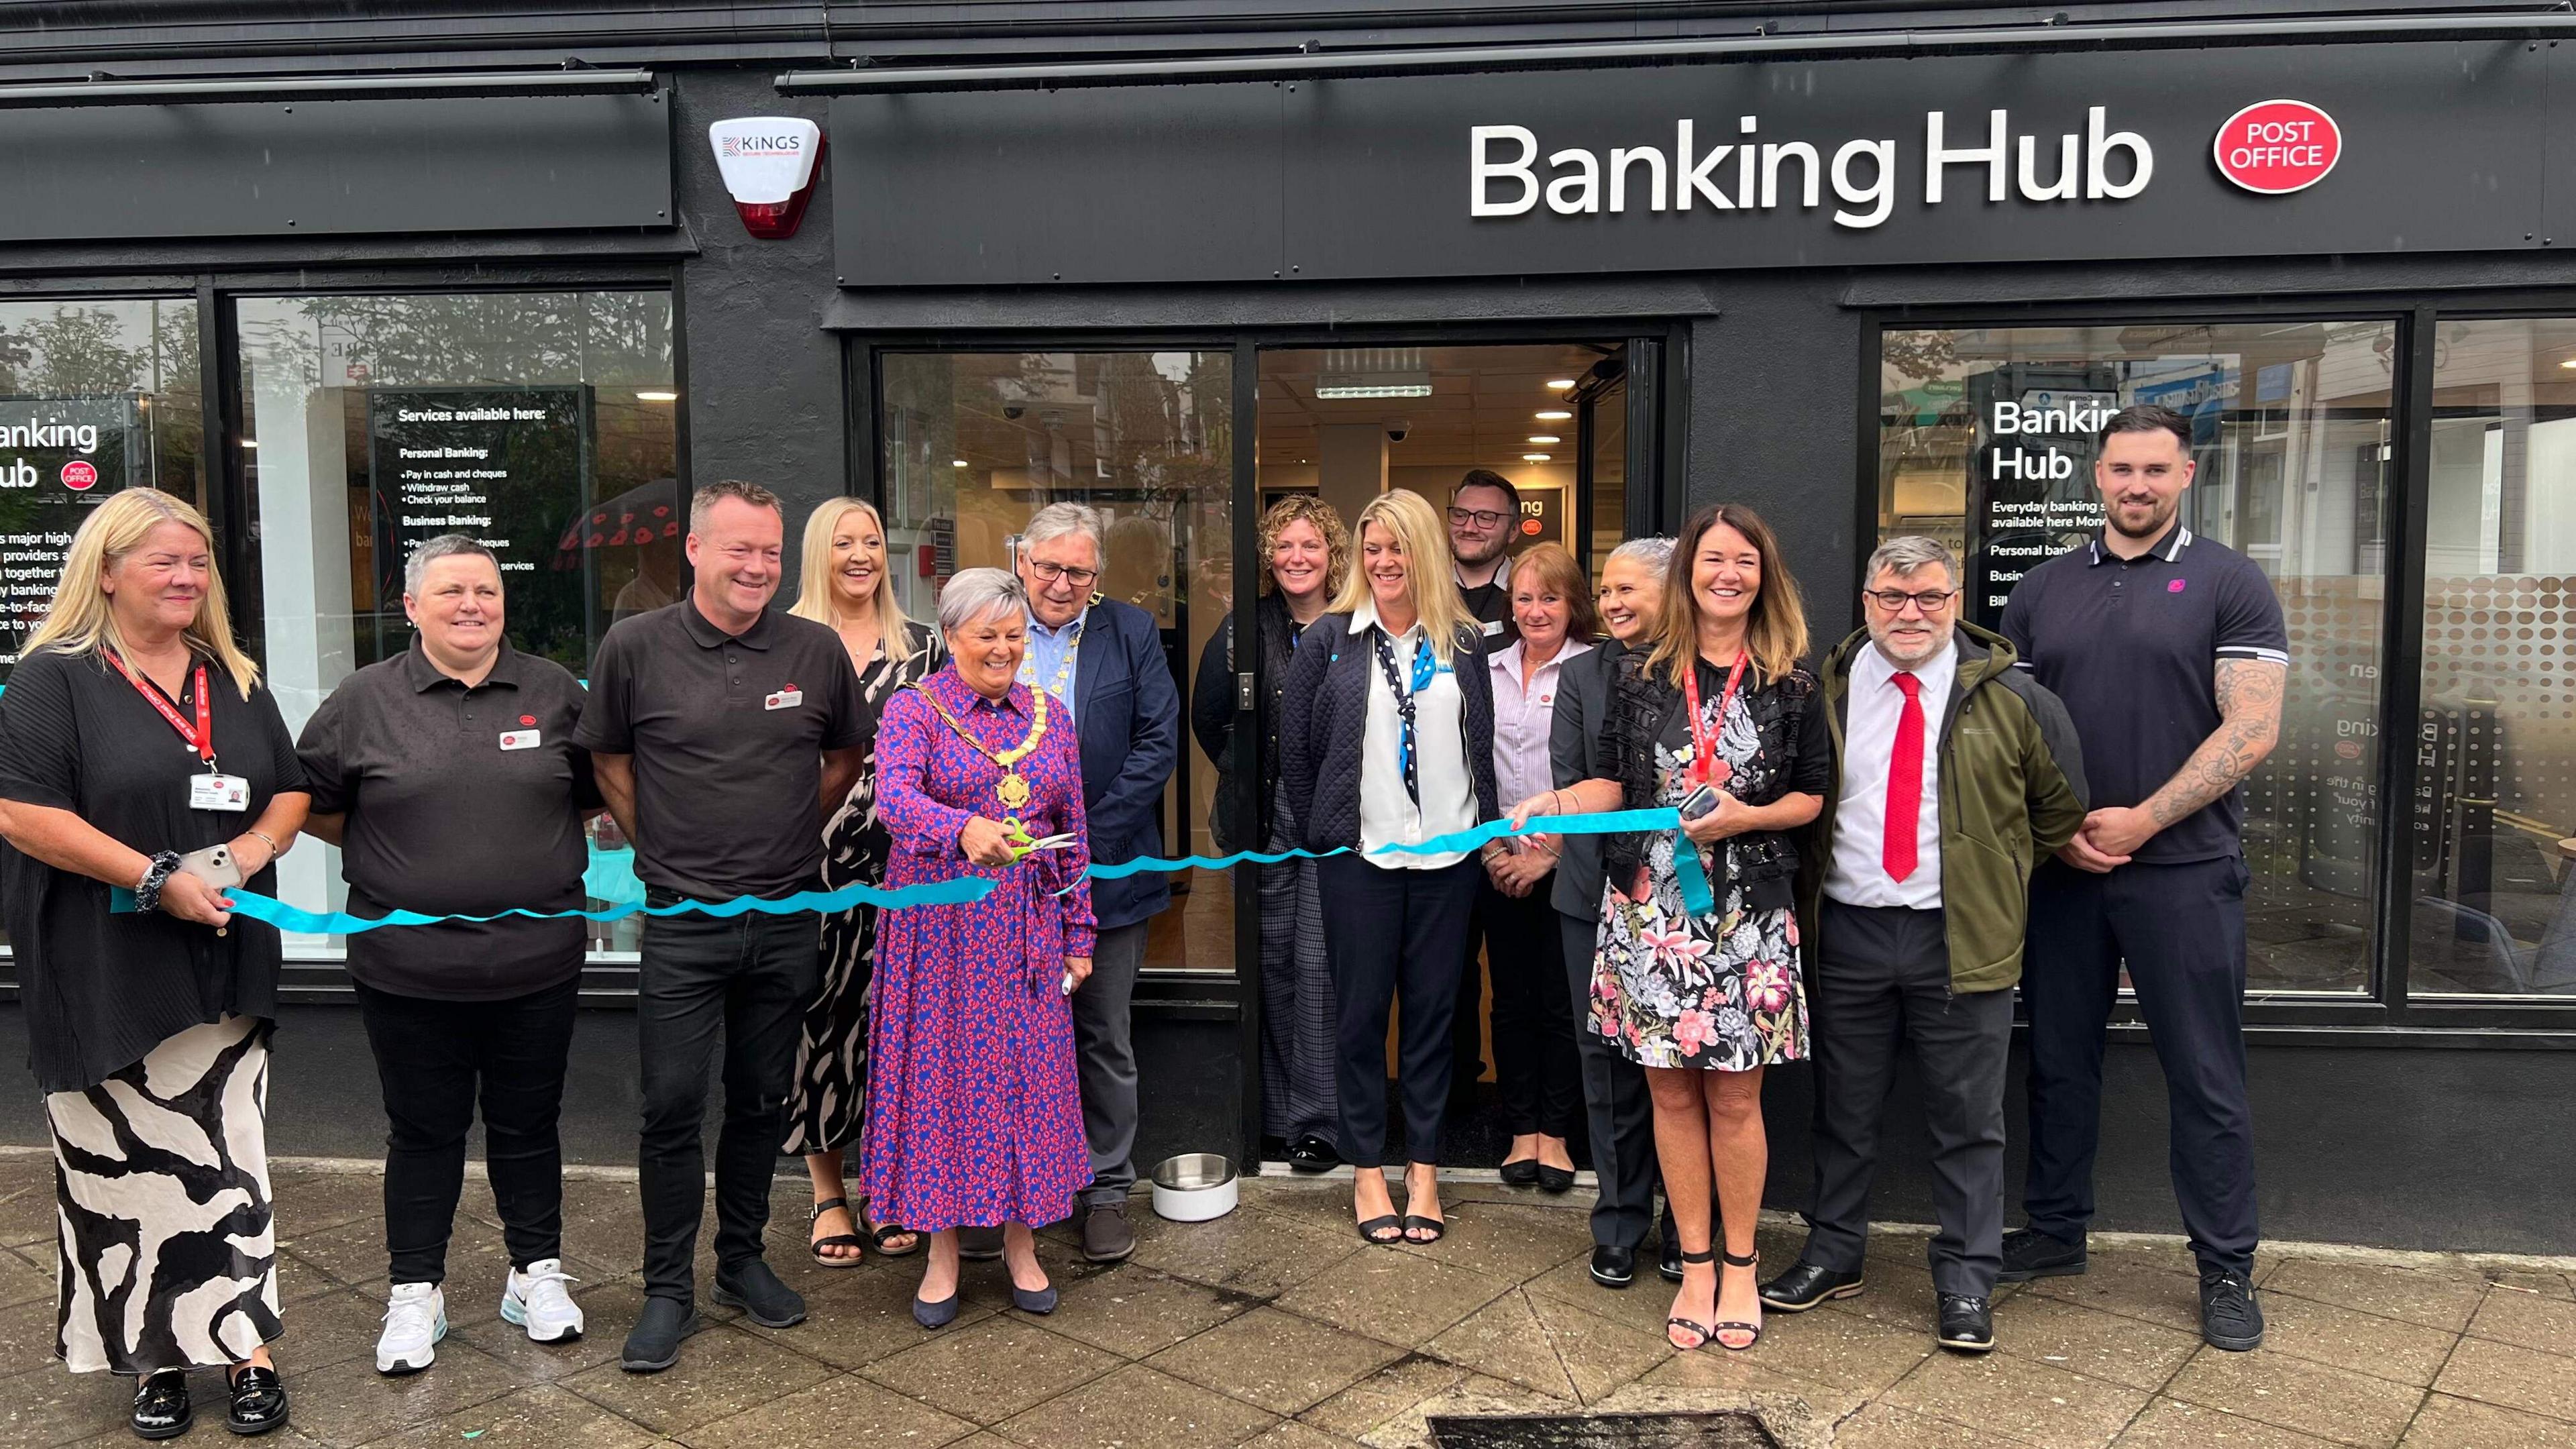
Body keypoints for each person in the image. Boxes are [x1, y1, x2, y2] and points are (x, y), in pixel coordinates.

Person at [0, 488, 309, 1439]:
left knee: (231, 1166)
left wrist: (245, 857)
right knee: (121, 1175)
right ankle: (154, 1359)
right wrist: (156, 879)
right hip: (103, 968)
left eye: (197, 562)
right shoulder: (55, 678)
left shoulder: (235, 677)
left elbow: (290, 792)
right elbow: (23, 813)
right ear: (106, 571)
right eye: (161, 562)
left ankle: (244, 1346)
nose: (184, 578)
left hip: (222, 965)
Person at [1998, 405, 2288, 1354]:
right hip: (2065, 869)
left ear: (2187, 475)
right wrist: (2060, 833)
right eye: (2121, 469)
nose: (2136, 486)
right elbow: (2013, 734)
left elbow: (2252, 727)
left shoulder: (2228, 582)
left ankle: (2227, 1268)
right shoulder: (2041, 590)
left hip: (2185, 870)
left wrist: (2145, 819)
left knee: (2205, 1073)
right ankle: (2053, 1231)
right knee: (2057, 1061)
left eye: (2154, 471)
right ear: (2098, 475)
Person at [1758, 537, 2089, 1354]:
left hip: (1960, 937)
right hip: (1850, 931)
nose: (1911, 614)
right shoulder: (1823, 688)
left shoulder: (2014, 698)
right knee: (1843, 1109)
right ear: (1866, 601)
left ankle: (1968, 1280)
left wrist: (1992, 875)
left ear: (1956, 601)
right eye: (1893, 598)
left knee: (1969, 1119)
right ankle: (1834, 1253)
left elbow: (2058, 813)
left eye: (1930, 598)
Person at [1514, 503, 1829, 1354]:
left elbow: (1812, 797)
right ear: (1688, 575)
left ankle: (1739, 1262)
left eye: (1745, 562)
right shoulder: (1643, 676)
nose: (1728, 575)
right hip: (1650, 912)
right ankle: (1692, 1262)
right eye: (1712, 560)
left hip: (1746, 919)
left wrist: (1742, 817)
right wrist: (1555, 801)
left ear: (1765, 577)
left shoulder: (1792, 680)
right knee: (1667, 1091)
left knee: (1734, 1097)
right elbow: (1613, 785)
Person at [574, 480, 869, 1373]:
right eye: (739, 549)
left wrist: (790, 834)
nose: (757, 567)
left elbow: (846, 756)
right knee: (669, 1106)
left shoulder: (813, 650)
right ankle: (668, 1289)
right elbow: (607, 755)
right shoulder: (635, 647)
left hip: (785, 914)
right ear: (696, 551)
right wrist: (655, 842)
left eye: (772, 552)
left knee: (761, 1099)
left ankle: (742, 1261)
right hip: (684, 921)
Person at [297, 535, 599, 1377]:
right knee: (423, 1131)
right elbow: (312, 801)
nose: (473, 605)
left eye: (488, 591)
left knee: (528, 1126)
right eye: (453, 591)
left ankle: (533, 1274)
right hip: (406, 970)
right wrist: (392, 848)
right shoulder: (363, 701)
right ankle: (415, 1291)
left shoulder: (554, 693)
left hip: (537, 962)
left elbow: (588, 796)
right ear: (411, 607)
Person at [864, 568, 1093, 1327]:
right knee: (945, 1084)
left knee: (1025, 1082)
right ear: (952, 635)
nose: (1004, 649)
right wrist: (960, 827)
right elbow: (895, 801)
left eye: (1014, 635)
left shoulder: (1050, 716)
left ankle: (1024, 1246)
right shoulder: (913, 709)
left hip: (1029, 929)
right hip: (940, 934)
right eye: (987, 635)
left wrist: (1079, 931)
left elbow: (1074, 834)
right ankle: (943, 1252)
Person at [1279, 488, 1499, 1247]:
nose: (1383, 563)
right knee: (1361, 1018)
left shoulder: (1464, 644)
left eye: (1398, 549)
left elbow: (1482, 749)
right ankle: (1368, 1168)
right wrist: (1325, 837)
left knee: (1436, 1021)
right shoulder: (1330, 640)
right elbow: (1298, 755)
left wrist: (1490, 833)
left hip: (1448, 861)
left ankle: (1426, 1171)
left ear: (1426, 554)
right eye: (1373, 549)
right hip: (1359, 861)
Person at [1012, 502, 1179, 1265]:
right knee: (1007, 1038)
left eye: (1079, 571)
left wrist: (1080, 839)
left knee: (1103, 1037)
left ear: (1098, 576)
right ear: (1023, 563)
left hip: (1104, 869)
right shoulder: (990, 627)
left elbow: (1157, 743)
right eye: (1050, 567)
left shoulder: (1132, 632)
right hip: (1003, 879)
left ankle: (1105, 1189)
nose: (1062, 583)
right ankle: (1012, 1191)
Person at [782, 498, 943, 1269]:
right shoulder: (782, 647)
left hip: (910, 874)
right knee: (823, 1022)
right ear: (819, 552)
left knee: (900, 1027)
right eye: (843, 542)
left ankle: (890, 1188)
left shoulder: (928, 651)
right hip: (808, 872)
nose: (860, 555)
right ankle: (827, 1192)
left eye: (872, 541)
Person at [1190, 494, 1351, 1172]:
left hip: (1334, 820)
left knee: (1318, 967)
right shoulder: (1244, 627)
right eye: (1284, 546)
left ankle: (1319, 1123)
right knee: (1270, 964)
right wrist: (1247, 774)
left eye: (1310, 545)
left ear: (1332, 554)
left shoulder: (1355, 628)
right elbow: (1208, 716)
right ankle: (1274, 1113)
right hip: (1263, 816)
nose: (1296, 558)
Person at [1537, 536, 1680, 1290]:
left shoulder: (1704, 672)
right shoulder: (1582, 675)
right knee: (1607, 1066)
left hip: (1686, 904)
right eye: (1608, 589)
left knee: (1681, 1066)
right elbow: (1576, 784)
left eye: (1631, 588)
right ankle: (1621, 1222)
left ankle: (1691, 1227)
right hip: (1594, 898)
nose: (1615, 602)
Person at [1477, 542, 1596, 1193]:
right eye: (1524, 597)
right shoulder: (1487, 667)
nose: (1535, 610)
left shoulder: (1593, 669)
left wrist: (1549, 855)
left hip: (1569, 864)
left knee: (1561, 1001)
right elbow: (1468, 762)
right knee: (1511, 1000)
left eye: (1549, 597)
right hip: (1497, 861)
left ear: (1572, 602)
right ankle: (1521, 1128)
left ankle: (1557, 1132)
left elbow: (1606, 776)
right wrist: (1495, 851)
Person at [1444, 470, 1521, 1114]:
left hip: (1516, 813)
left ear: (1512, 527)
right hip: (1442, 812)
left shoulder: (1528, 596)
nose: (1472, 527)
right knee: (1446, 971)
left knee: (1520, 976)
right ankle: (1456, 1093)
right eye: (1462, 514)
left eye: (1486, 518)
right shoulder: (1418, 590)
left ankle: (1522, 1110)